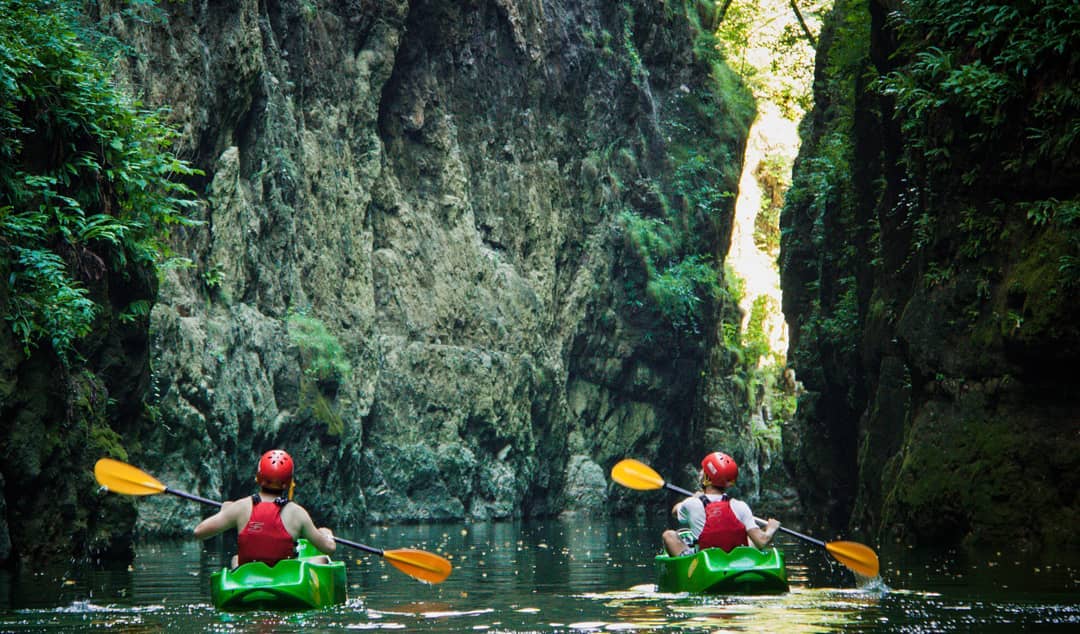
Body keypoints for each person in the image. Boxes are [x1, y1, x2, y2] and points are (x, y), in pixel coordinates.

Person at [194, 449, 336, 567]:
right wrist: (326, 534)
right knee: (323, 558)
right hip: (284, 579)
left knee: (236, 559)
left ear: (258, 477)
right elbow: (329, 548)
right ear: (288, 483)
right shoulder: (297, 513)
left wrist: (226, 512)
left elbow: (199, 532)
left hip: (249, 577)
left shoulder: (241, 507)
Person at [661, 451, 781, 556]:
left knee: (669, 535)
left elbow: (674, 512)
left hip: (705, 562)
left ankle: (687, 565)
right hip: (736, 559)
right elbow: (761, 541)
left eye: (703, 471)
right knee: (753, 536)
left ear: (707, 478)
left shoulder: (692, 504)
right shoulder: (740, 506)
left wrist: (693, 498)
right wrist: (771, 528)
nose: (700, 472)